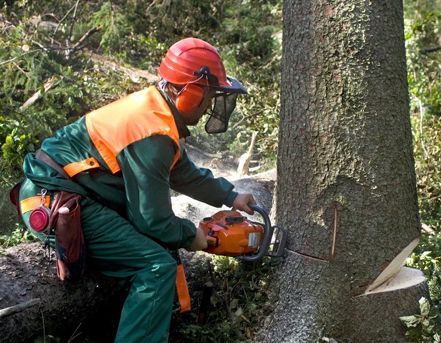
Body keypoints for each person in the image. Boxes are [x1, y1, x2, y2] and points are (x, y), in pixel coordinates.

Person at [16, 37, 256, 342]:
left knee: (153, 252)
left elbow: (182, 172)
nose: (210, 105)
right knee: (156, 266)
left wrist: (231, 196)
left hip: (72, 194)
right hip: (56, 201)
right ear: (190, 92)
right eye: (209, 96)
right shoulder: (151, 132)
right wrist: (194, 237)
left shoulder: (155, 114)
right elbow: (152, 220)